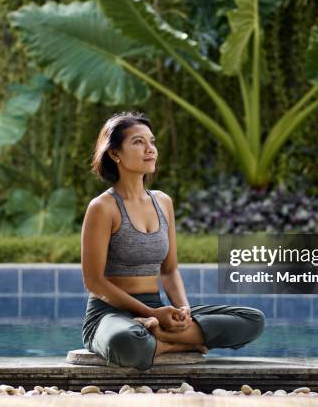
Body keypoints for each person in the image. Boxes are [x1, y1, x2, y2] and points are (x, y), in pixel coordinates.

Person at [81, 111, 265, 370]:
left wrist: (183, 311)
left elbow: (169, 270)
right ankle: (178, 343)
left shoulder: (163, 202)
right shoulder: (103, 207)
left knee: (251, 319)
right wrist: (150, 314)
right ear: (115, 154)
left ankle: (160, 339)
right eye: (138, 142)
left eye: (152, 142)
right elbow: (94, 282)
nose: (150, 149)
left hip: (158, 312)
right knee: (127, 342)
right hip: (110, 314)